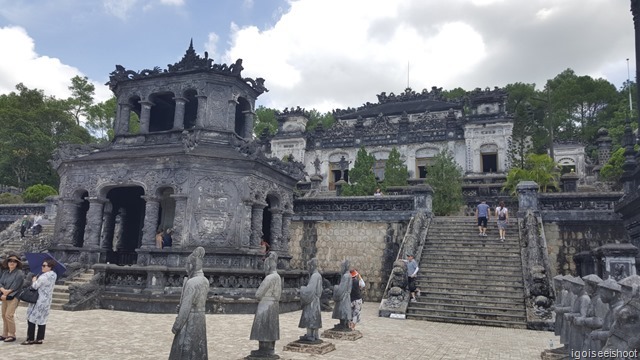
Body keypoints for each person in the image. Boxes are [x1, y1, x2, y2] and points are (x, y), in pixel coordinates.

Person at [169, 247, 209, 360]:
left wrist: (177, 326)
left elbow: (186, 308)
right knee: (198, 347)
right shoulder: (205, 281)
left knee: (185, 350)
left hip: (189, 319)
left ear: (191, 265)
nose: (186, 268)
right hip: (200, 318)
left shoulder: (191, 283)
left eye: (187, 265)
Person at [22, 258, 57, 345]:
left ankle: (30, 338)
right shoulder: (54, 275)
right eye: (43, 265)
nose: (42, 267)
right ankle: (40, 338)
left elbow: (34, 286)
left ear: (50, 267)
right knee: (42, 319)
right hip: (47, 300)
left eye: (44, 265)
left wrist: (34, 280)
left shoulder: (43, 276)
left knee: (31, 318)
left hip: (39, 300)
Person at [0, 254, 25, 342]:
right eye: (10, 261)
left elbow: (16, 286)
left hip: (14, 296)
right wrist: (3, 290)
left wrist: (6, 293)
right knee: (3, 315)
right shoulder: (5, 272)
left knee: (9, 315)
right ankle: (5, 334)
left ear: (17, 263)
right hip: (4, 296)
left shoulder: (19, 274)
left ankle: (12, 334)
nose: (12, 263)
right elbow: (1, 282)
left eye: (14, 262)